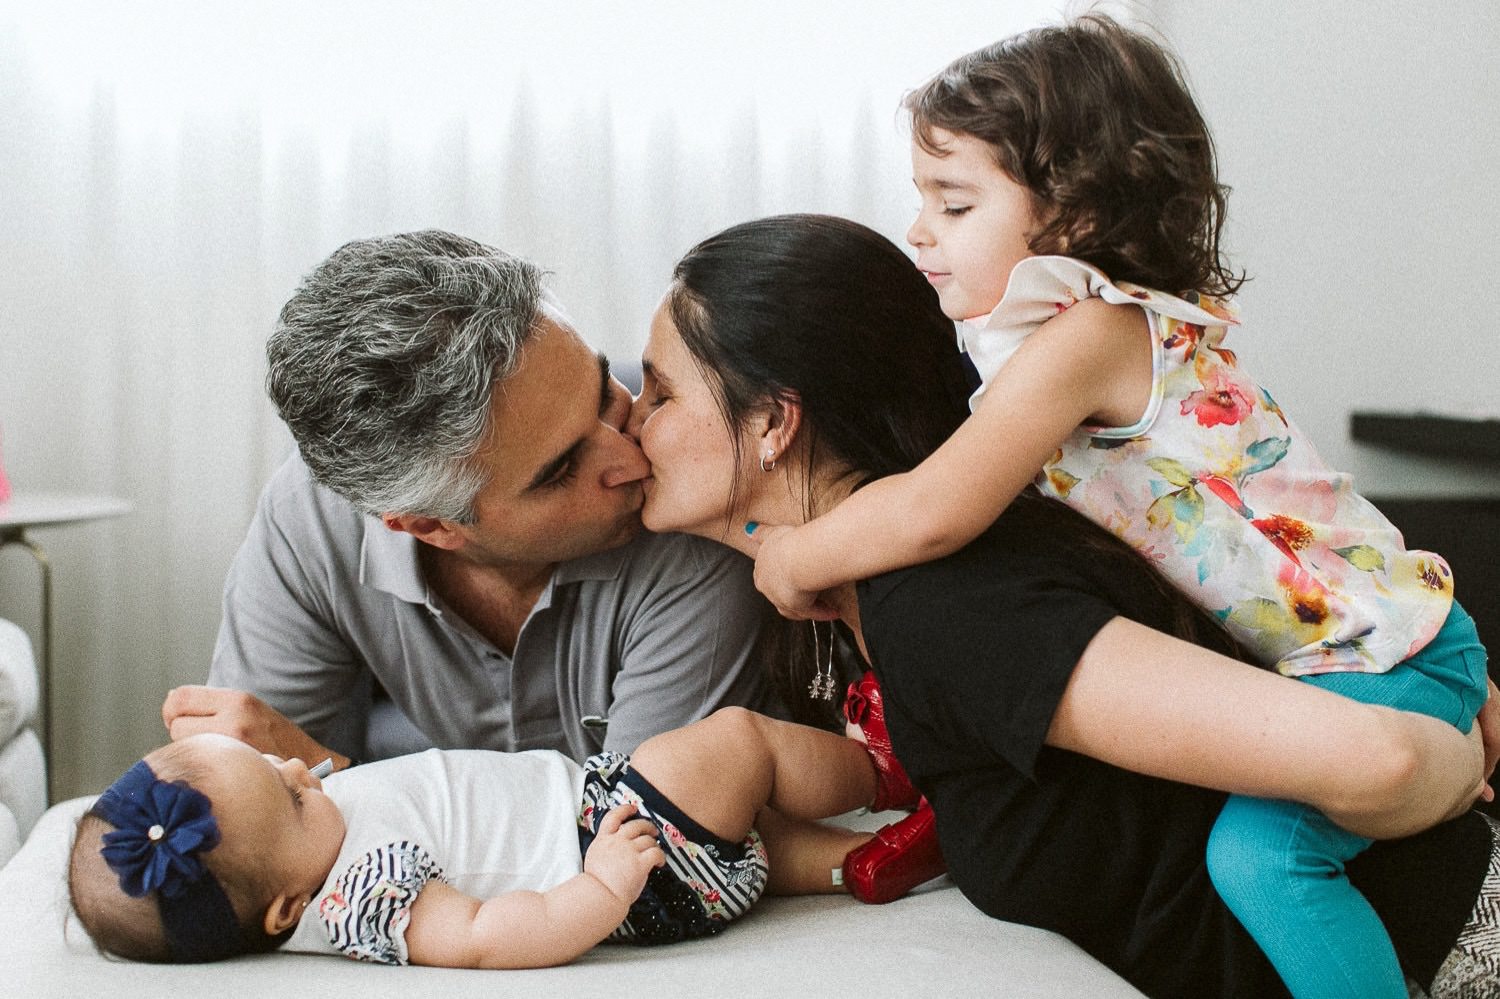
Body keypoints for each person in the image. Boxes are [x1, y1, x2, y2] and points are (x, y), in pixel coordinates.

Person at [743, 18, 1487, 999]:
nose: (919, 230)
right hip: (1374, 648)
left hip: (1385, 657)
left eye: (954, 203)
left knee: (1261, 863)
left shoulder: (1093, 334)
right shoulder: (1063, 344)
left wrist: (796, 557)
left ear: (1077, 215)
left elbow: (934, 510)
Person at [162, 230, 778, 773]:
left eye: (601, 393)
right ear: (429, 526)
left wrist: (333, 778)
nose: (634, 458)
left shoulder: (693, 498)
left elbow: (650, 837)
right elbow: (256, 826)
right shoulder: (314, 518)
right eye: (562, 470)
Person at [67, 708, 884, 966]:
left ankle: (878, 858)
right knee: (734, 744)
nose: (300, 770)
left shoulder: (310, 852)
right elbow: (484, 935)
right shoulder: (365, 892)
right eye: (291, 796)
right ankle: (891, 766)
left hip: (616, 823)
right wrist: (602, 886)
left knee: (775, 845)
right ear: (287, 908)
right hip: (625, 860)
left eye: (275, 763)